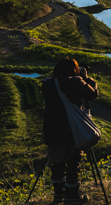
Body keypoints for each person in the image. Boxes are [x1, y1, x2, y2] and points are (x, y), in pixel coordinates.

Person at [42, 57, 99, 205]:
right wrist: (86, 78)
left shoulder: (48, 83)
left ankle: (58, 195)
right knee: (73, 159)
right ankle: (72, 196)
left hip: (51, 126)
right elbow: (92, 94)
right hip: (70, 125)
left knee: (57, 159)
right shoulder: (75, 81)